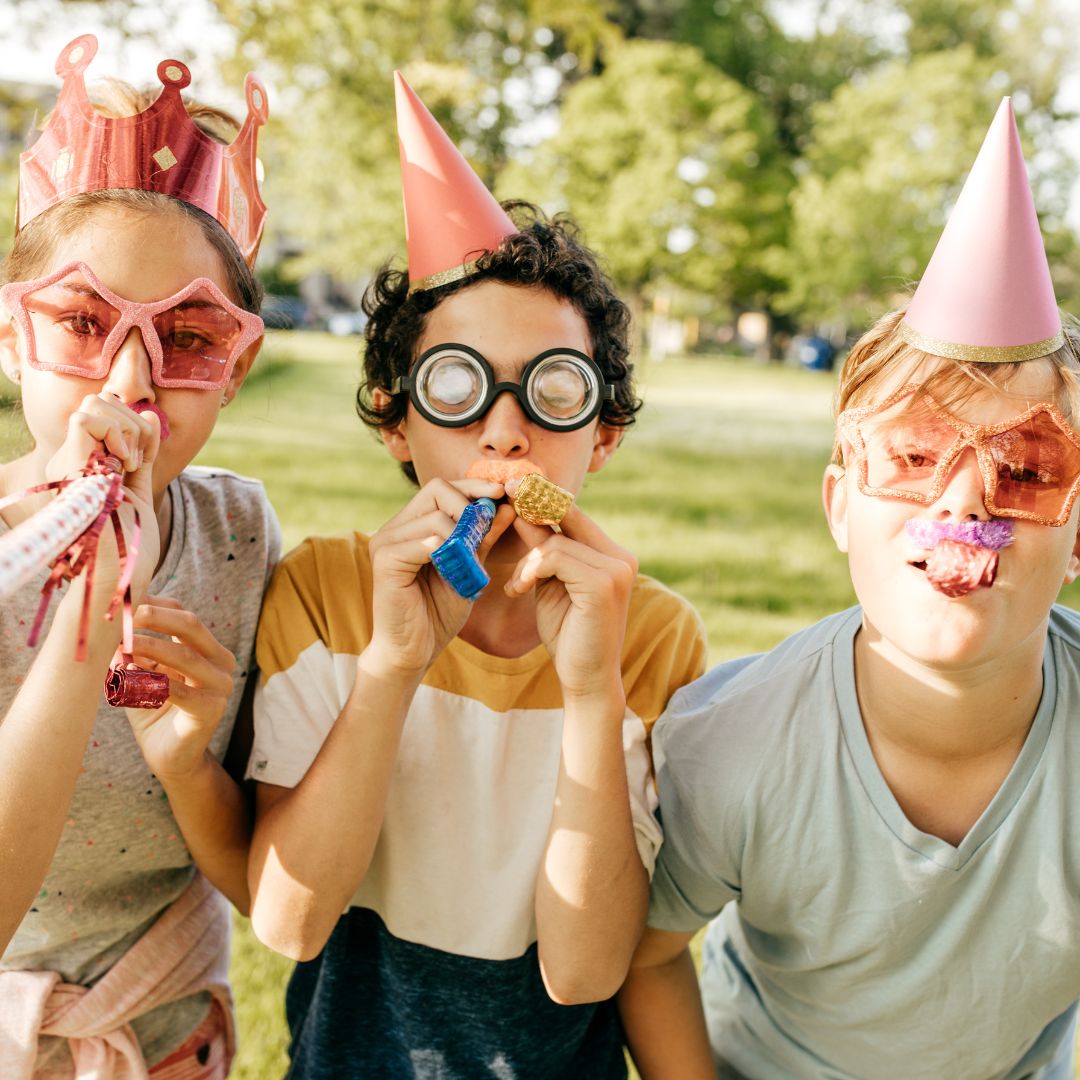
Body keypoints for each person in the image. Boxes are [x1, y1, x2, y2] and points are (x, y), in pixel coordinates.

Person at [244, 73, 706, 1079]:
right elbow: (289, 919)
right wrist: (391, 664)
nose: (505, 429)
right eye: (457, 387)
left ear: (606, 435)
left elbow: (586, 973)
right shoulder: (323, 593)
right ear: (398, 419)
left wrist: (592, 689)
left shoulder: (654, 634)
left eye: (552, 392)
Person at [618, 97, 1080, 1080]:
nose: (964, 504)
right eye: (914, 455)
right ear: (839, 506)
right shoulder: (733, 742)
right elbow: (648, 952)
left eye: (1027, 467)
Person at [0, 34, 279, 1078]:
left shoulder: (238, 537)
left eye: (190, 338)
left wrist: (186, 761)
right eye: (82, 322)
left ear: (238, 367)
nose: (133, 378)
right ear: (9, 336)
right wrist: (84, 605)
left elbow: (269, 891)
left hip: (169, 1042)